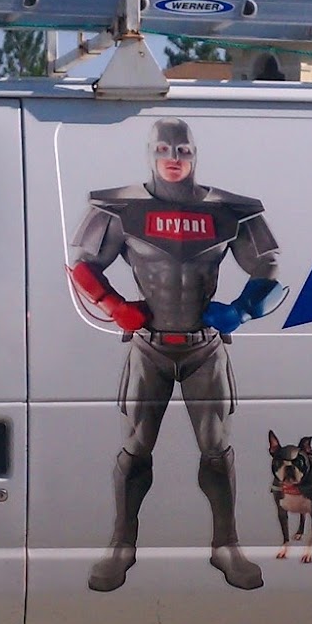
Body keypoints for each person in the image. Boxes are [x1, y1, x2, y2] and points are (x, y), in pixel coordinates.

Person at [67, 119, 284, 592]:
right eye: (164, 149)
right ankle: (121, 546)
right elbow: (82, 264)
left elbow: (268, 265)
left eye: (182, 150)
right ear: (150, 152)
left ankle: (226, 546)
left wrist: (243, 310)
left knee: (217, 449)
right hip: (150, 345)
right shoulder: (120, 207)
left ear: (194, 154)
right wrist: (114, 305)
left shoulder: (229, 209)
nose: (173, 158)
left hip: (204, 346)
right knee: (135, 449)